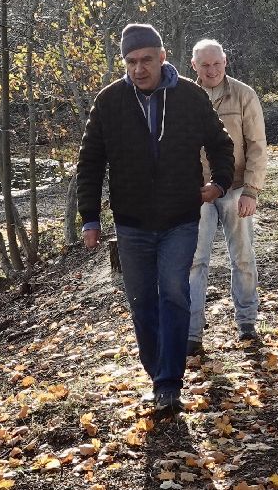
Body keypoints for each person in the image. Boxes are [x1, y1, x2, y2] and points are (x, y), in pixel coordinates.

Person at [78, 22, 235, 417]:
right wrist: (90, 218)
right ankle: (156, 373)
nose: (139, 68)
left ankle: (169, 382)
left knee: (174, 292)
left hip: (181, 217)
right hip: (131, 222)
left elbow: (220, 142)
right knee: (142, 302)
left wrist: (219, 182)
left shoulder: (189, 95)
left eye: (146, 60)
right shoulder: (110, 101)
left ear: (162, 57)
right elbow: (90, 161)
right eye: (131, 61)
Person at [187, 39, 268, 354]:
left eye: (216, 64)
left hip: (235, 187)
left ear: (225, 61)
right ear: (194, 65)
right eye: (204, 65)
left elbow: (258, 146)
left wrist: (251, 190)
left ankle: (247, 323)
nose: (211, 70)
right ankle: (193, 333)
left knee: (243, 257)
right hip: (197, 190)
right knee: (195, 261)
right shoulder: (184, 96)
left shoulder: (244, 95)